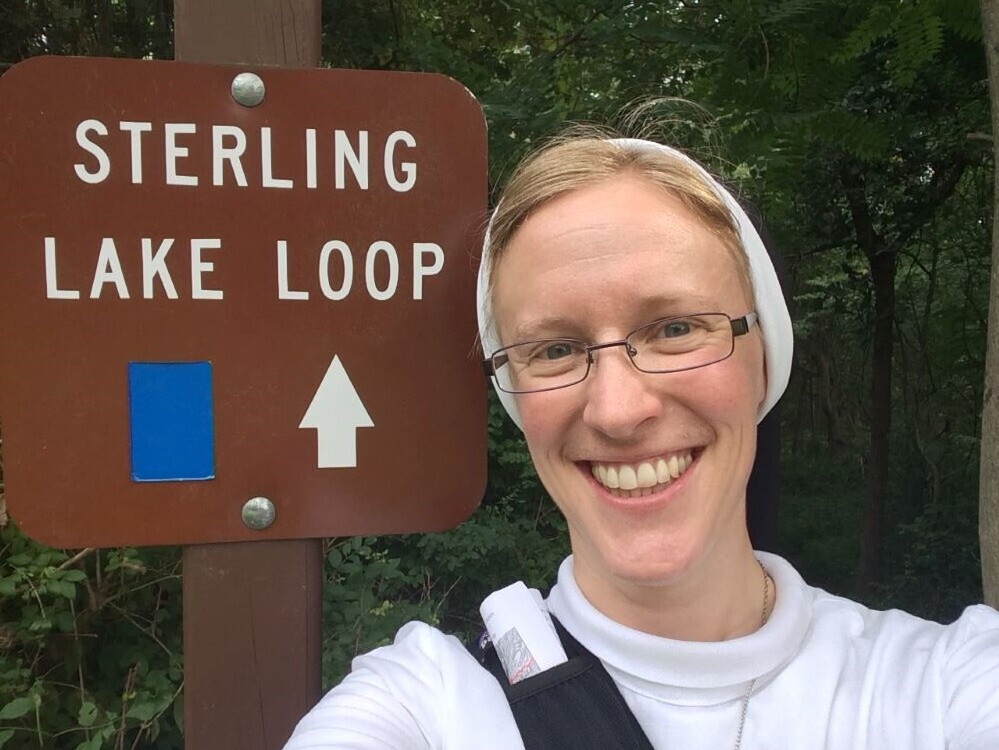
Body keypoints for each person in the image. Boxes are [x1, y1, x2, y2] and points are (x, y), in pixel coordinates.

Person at [283, 131, 999, 749]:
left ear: (763, 358)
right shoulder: (427, 705)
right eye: (554, 349)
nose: (619, 409)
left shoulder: (947, 684)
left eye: (676, 329)